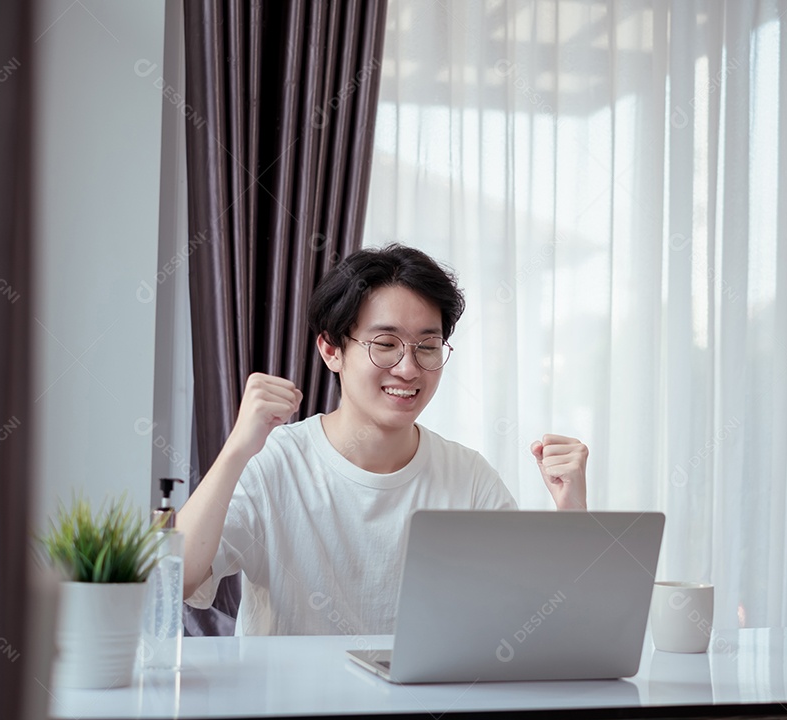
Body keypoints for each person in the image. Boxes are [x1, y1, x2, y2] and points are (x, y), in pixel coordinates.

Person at [178, 244, 588, 635]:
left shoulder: (468, 476)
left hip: (421, 689)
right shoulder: (275, 461)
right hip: (291, 688)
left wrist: (572, 511)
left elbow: (536, 615)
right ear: (332, 350)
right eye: (386, 344)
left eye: (427, 346)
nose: (408, 369)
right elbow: (176, 579)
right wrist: (236, 450)